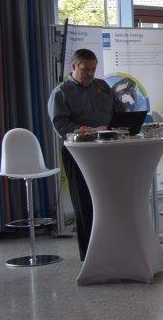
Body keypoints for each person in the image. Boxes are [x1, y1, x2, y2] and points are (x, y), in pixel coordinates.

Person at [48, 48, 125, 261]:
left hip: (108, 150)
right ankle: (89, 255)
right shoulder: (61, 93)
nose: (90, 74)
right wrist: (90, 131)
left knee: (108, 200)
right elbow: (61, 126)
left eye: (93, 69)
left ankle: (111, 247)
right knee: (84, 203)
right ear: (73, 67)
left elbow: (119, 112)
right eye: (85, 69)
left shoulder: (103, 87)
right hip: (79, 153)